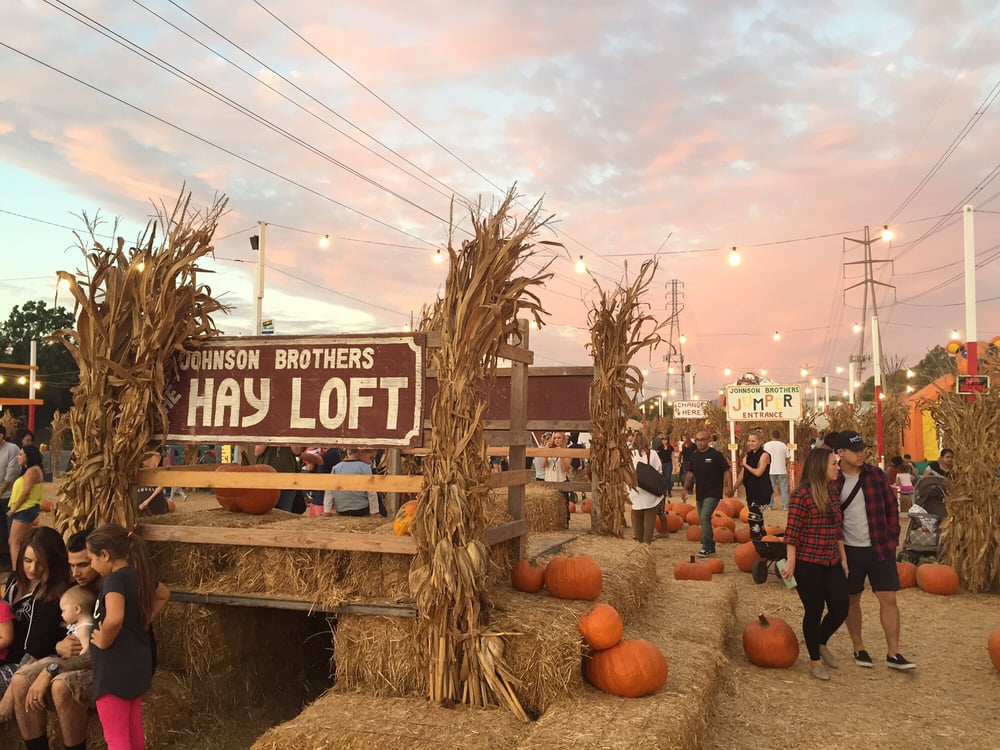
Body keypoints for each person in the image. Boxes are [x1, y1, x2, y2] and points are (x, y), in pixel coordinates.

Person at [10, 529, 105, 750]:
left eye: (83, 564)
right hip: (72, 657)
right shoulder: (75, 587)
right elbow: (68, 633)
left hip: (100, 662)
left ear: (101, 557)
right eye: (71, 566)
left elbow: (97, 652)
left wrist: (52, 669)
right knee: (19, 681)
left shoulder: (112, 589)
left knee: (62, 687)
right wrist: (59, 645)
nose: (75, 572)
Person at [835, 431, 915, 670]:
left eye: (862, 449)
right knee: (852, 599)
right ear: (840, 453)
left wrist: (892, 539)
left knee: (888, 598)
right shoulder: (833, 479)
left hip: (880, 547)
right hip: (850, 551)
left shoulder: (876, 476)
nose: (860, 454)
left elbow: (891, 508)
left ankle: (894, 652)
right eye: (854, 450)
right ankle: (858, 647)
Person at [87, 524, 165, 750]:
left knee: (116, 736)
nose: (92, 565)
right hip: (138, 661)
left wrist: (104, 640)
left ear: (105, 555)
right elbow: (163, 595)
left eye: (92, 559)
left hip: (114, 668)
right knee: (133, 728)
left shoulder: (114, 581)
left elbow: (114, 618)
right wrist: (143, 619)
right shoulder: (137, 574)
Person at [781, 448, 849, 681]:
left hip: (831, 559)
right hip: (808, 562)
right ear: (821, 466)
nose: (838, 468)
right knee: (814, 610)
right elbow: (792, 532)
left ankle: (820, 642)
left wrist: (844, 559)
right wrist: (791, 562)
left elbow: (837, 528)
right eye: (834, 464)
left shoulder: (831, 492)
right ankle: (814, 660)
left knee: (841, 607)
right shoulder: (801, 495)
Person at [0, 527, 71, 719]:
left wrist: (9, 698)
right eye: (27, 561)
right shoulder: (15, 580)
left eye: (41, 563)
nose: (32, 569)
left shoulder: (54, 594)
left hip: (24, 665)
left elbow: (34, 651)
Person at [680, 430, 732, 557]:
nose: (700, 442)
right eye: (697, 440)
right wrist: (685, 488)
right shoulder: (694, 456)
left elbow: (726, 471)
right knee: (703, 519)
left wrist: (729, 486)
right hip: (700, 491)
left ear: (709, 440)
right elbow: (690, 473)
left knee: (704, 516)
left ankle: (706, 546)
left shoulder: (716, 455)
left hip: (713, 491)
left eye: (702, 439)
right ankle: (711, 545)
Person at [7, 444, 45, 567]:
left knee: (14, 541)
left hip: (25, 508)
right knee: (25, 540)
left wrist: (13, 509)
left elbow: (25, 492)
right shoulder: (34, 469)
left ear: (28, 456)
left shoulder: (32, 471)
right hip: (28, 508)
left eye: (21, 454)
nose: (18, 457)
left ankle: (16, 570)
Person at [736, 430, 771, 540]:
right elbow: (743, 473)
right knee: (757, 517)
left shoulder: (764, 455)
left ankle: (755, 539)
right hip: (751, 490)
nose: (751, 443)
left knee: (753, 516)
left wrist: (745, 465)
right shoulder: (748, 455)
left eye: (754, 441)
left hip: (763, 490)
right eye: (749, 441)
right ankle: (762, 538)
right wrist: (734, 487)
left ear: (760, 441)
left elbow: (758, 472)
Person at [629, 432, 662, 544]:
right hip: (651, 490)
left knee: (637, 518)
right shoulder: (652, 454)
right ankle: (646, 545)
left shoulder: (630, 455)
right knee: (650, 519)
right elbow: (659, 470)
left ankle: (639, 543)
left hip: (635, 490)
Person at [327, 448, 379, 516]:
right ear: (361, 452)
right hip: (360, 509)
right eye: (370, 458)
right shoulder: (364, 467)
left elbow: (329, 490)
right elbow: (371, 491)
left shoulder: (336, 467)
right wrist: (374, 511)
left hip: (341, 509)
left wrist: (327, 510)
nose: (370, 462)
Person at [254, 444, 300, 512]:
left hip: (287, 479)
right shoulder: (264, 433)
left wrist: (289, 435)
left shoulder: (292, 433)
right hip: (266, 480)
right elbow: (257, 452)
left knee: (284, 513)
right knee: (265, 512)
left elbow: (296, 451)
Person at [0, 425, 20, 569]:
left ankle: (9, 561)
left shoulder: (12, 449)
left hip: (9, 496)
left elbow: (11, 474)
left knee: (10, 529)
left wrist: (0, 491)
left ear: (1, 435)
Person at [544, 432, 574, 527]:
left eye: (559, 438)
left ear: (563, 439)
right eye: (555, 438)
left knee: (564, 505)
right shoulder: (549, 450)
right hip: (549, 481)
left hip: (561, 480)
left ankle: (565, 523)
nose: (557, 440)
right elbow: (543, 465)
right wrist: (546, 452)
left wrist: (560, 453)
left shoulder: (568, 452)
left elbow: (564, 468)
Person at [59, 586, 97, 656]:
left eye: (63, 611)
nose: (61, 615)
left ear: (77, 609)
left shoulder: (83, 629)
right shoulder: (82, 623)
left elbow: (87, 649)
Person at [135, 451, 169, 516]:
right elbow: (162, 484)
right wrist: (147, 501)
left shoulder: (135, 458)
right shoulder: (164, 460)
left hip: (139, 498)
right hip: (156, 500)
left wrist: (146, 502)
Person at [763, 430, 789, 510]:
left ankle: (770, 505)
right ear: (779, 436)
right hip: (782, 469)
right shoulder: (783, 445)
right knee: (784, 487)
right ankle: (785, 506)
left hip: (770, 469)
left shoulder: (766, 445)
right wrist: (785, 463)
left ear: (771, 436)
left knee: (770, 487)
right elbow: (788, 457)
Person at [653, 432, 674, 498]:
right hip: (662, 463)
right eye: (663, 440)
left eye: (665, 439)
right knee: (663, 478)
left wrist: (675, 465)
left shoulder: (670, 448)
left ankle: (669, 491)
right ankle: (664, 491)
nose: (664, 441)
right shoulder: (660, 448)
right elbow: (658, 456)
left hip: (668, 463)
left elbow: (672, 456)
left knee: (668, 477)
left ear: (668, 440)